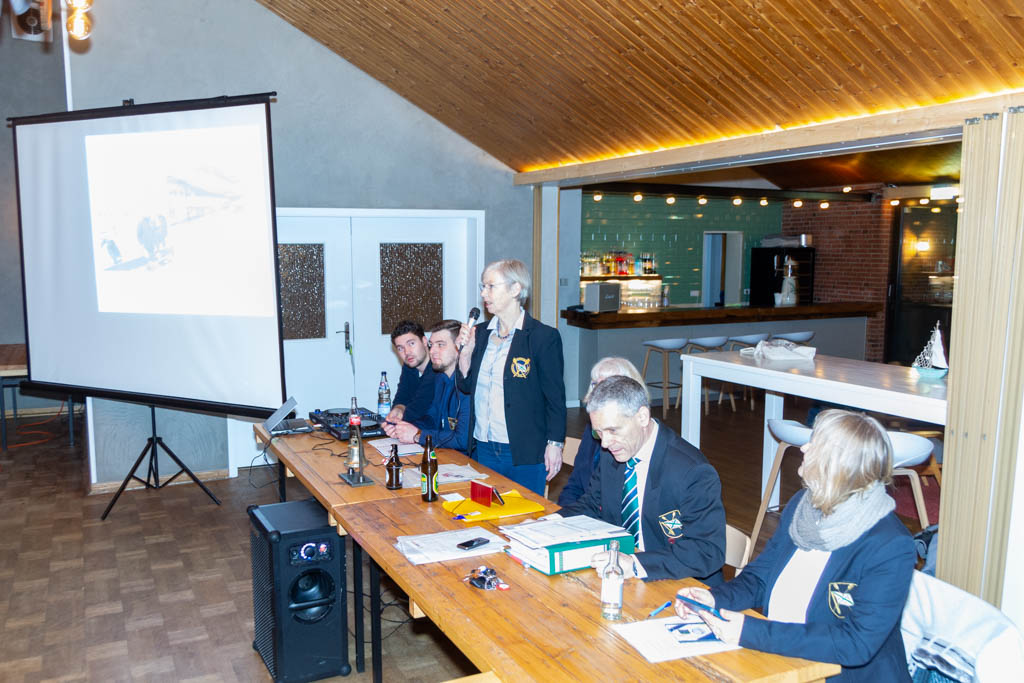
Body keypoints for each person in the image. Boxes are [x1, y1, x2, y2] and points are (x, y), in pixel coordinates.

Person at [675, 409, 915, 681]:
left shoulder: (889, 545)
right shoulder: (803, 507)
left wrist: (749, 632)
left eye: (815, 444)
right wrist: (715, 598)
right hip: (783, 658)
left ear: (838, 466)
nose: (804, 447)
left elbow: (855, 644)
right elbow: (760, 578)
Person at [559, 376, 726, 583]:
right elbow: (593, 504)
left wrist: (635, 563)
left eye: (613, 430)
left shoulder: (692, 471)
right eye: (599, 433)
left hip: (681, 584)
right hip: (624, 575)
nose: (605, 443)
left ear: (642, 417)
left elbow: (707, 551)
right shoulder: (612, 453)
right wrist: (550, 523)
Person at [455, 258, 566, 496]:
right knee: (485, 517)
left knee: (523, 518)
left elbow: (555, 398)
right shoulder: (481, 334)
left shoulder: (542, 337)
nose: (484, 293)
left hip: (523, 449)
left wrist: (555, 444)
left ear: (516, 289)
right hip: (482, 447)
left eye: (491, 286)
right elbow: (465, 386)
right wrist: (465, 354)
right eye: (482, 287)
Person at [556, 356, 648, 507]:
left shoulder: (636, 437)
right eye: (595, 384)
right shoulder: (592, 430)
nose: (598, 390)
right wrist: (565, 517)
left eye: (607, 384)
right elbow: (575, 486)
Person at [383, 320, 470, 453]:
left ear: (459, 347)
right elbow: (431, 418)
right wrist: (402, 429)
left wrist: (418, 435)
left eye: (441, 345)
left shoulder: (467, 384)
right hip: (446, 453)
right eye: (432, 345)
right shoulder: (441, 377)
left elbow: (462, 440)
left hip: (470, 463)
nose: (433, 351)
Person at [387, 320, 434, 424]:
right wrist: (398, 408)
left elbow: (420, 406)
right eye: (400, 348)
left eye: (411, 343)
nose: (407, 352)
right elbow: (403, 395)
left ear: (424, 341)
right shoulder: (410, 365)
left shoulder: (437, 366)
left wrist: (394, 423)